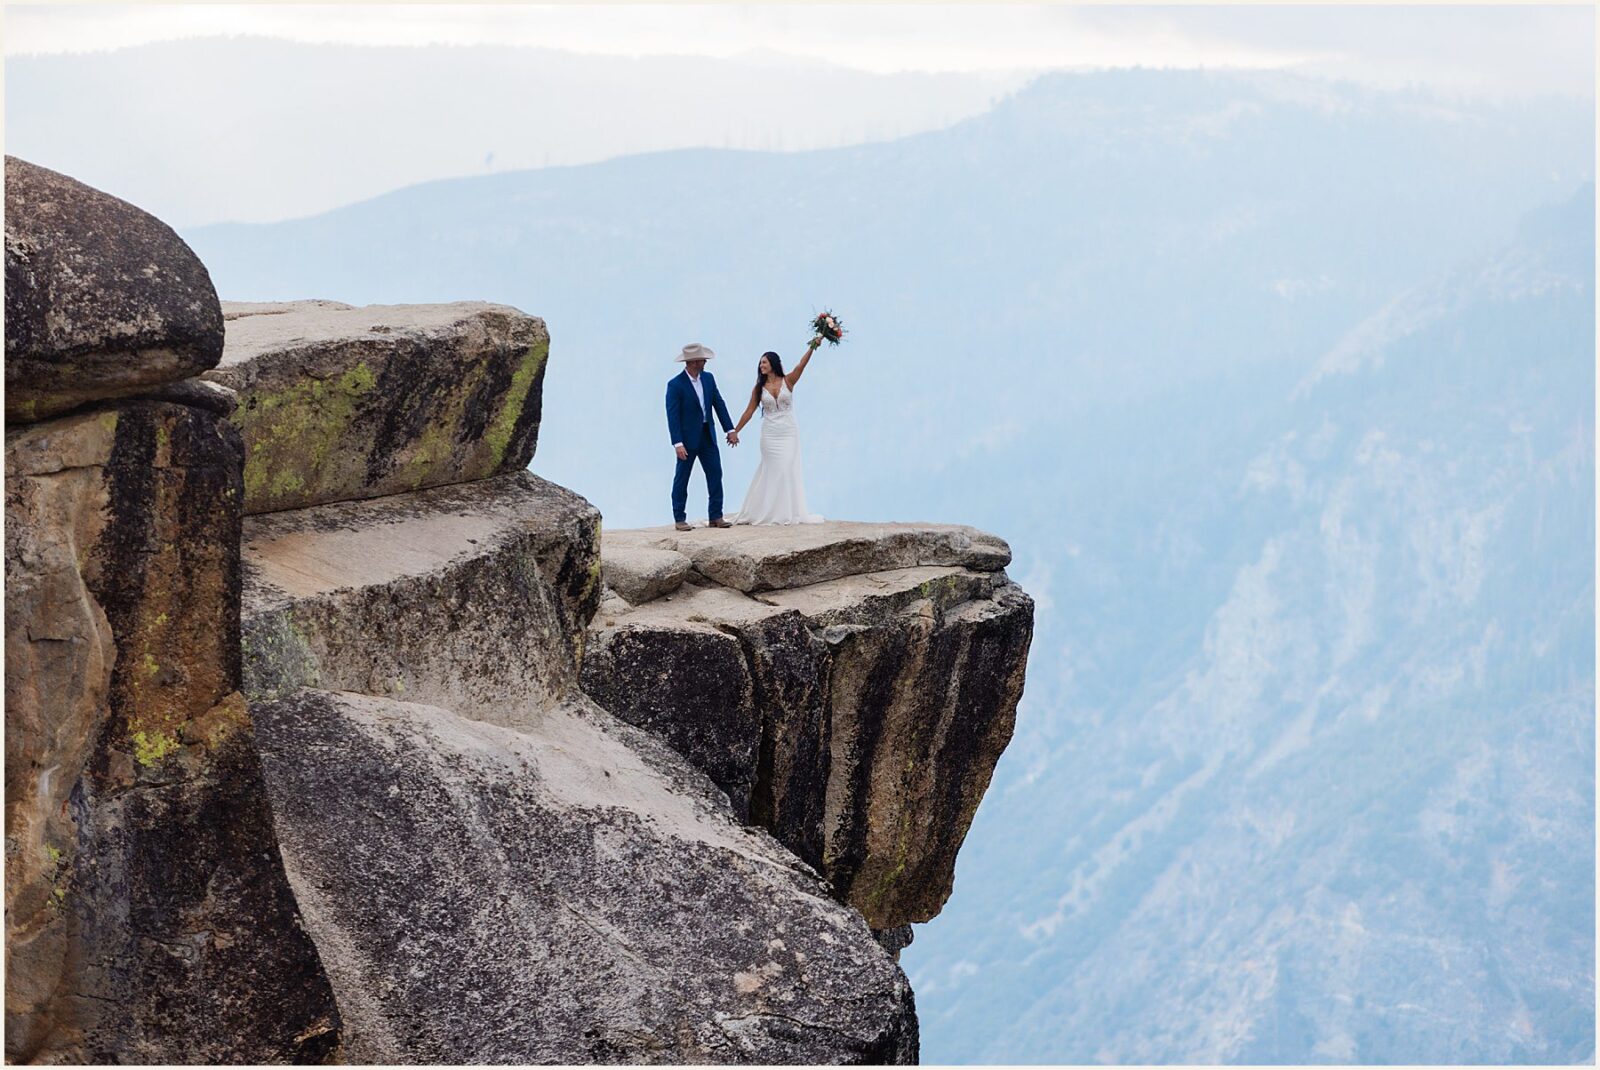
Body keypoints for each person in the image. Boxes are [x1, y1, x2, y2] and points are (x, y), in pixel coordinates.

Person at [728, 336, 825, 525]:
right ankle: (769, 511)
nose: (761, 365)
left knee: (786, 467)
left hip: (788, 433)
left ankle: (786, 512)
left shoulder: (788, 381)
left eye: (764, 362)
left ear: (772, 363)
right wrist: (735, 430)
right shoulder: (759, 389)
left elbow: (800, 366)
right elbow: (749, 411)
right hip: (769, 434)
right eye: (760, 363)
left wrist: (813, 346)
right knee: (772, 470)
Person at [666, 342, 737, 530]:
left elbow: (718, 403)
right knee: (682, 477)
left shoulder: (708, 379)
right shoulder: (675, 385)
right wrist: (677, 443)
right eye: (702, 359)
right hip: (687, 439)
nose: (705, 361)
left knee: (715, 473)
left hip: (707, 435)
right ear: (693, 362)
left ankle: (716, 516)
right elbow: (672, 415)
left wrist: (729, 429)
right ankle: (679, 518)